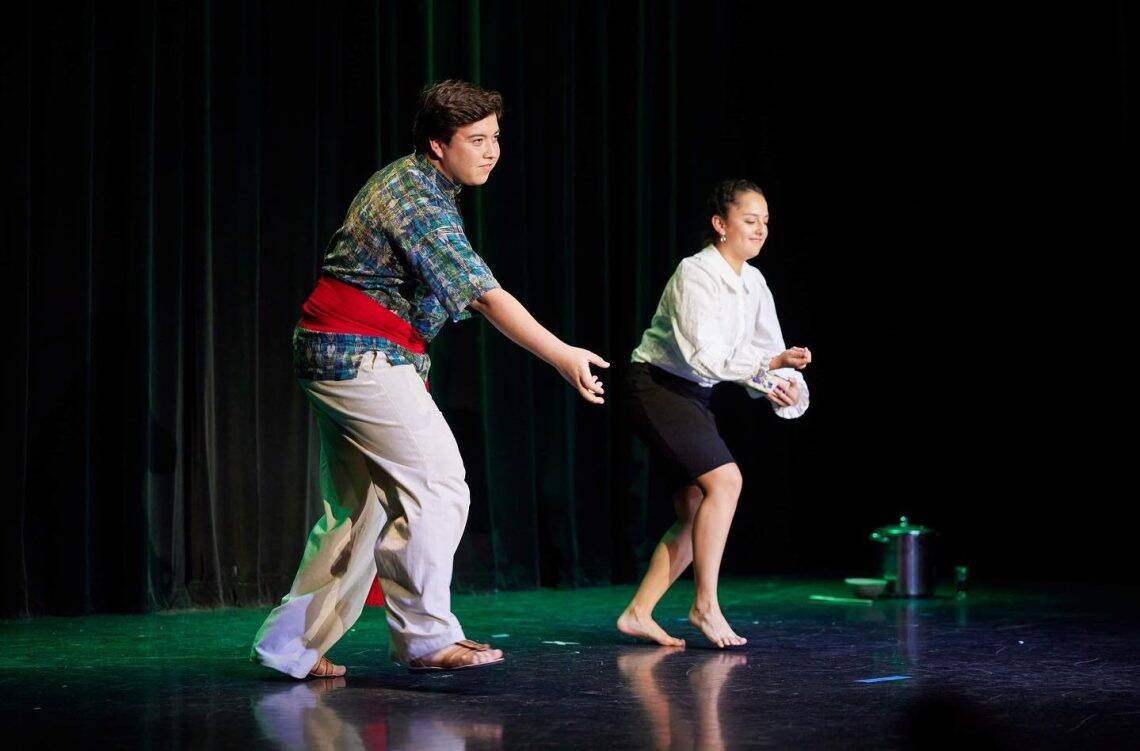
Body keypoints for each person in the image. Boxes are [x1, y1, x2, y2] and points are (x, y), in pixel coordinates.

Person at [252, 80, 609, 678]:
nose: (491, 151)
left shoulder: (427, 186)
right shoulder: (414, 195)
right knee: (437, 483)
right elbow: (484, 295)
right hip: (355, 352)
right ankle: (423, 636)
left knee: (358, 513)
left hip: (343, 352)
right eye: (476, 140)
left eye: (496, 137)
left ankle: (289, 646)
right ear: (438, 145)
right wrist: (562, 354)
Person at [616, 179, 811, 648]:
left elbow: (767, 349)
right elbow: (706, 355)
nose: (760, 230)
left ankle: (638, 613)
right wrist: (769, 367)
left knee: (696, 509)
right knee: (726, 481)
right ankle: (705, 606)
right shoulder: (695, 273)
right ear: (720, 225)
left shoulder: (754, 281)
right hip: (656, 387)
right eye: (750, 220)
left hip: (692, 395)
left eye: (766, 222)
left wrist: (781, 388)